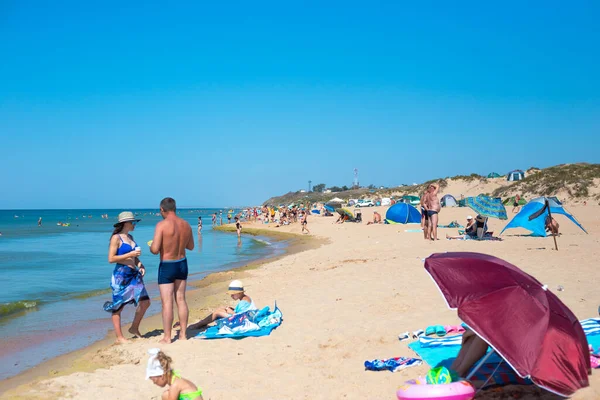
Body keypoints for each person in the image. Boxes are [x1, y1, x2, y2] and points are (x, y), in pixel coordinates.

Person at [150, 197, 194, 344]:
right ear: (175, 208)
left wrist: (152, 246)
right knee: (181, 299)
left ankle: (168, 337)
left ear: (162, 209)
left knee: (167, 302)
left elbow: (155, 250)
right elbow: (191, 246)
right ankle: (183, 334)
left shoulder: (161, 225)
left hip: (167, 265)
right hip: (182, 263)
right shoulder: (186, 225)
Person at [104, 211, 150, 343]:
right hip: (121, 275)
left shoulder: (130, 237)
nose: (134, 224)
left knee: (145, 302)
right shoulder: (116, 238)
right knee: (118, 306)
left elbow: (134, 257)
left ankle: (134, 328)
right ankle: (119, 337)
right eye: (132, 222)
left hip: (134, 274)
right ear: (125, 223)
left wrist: (140, 264)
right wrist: (130, 254)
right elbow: (111, 258)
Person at [187, 280, 256, 331]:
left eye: (233, 294)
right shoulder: (246, 298)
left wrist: (231, 312)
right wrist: (231, 309)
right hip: (244, 317)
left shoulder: (243, 302)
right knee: (221, 309)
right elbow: (243, 311)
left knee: (217, 312)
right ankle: (202, 323)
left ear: (239, 293)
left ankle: (199, 324)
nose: (231, 296)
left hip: (241, 320)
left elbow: (240, 316)